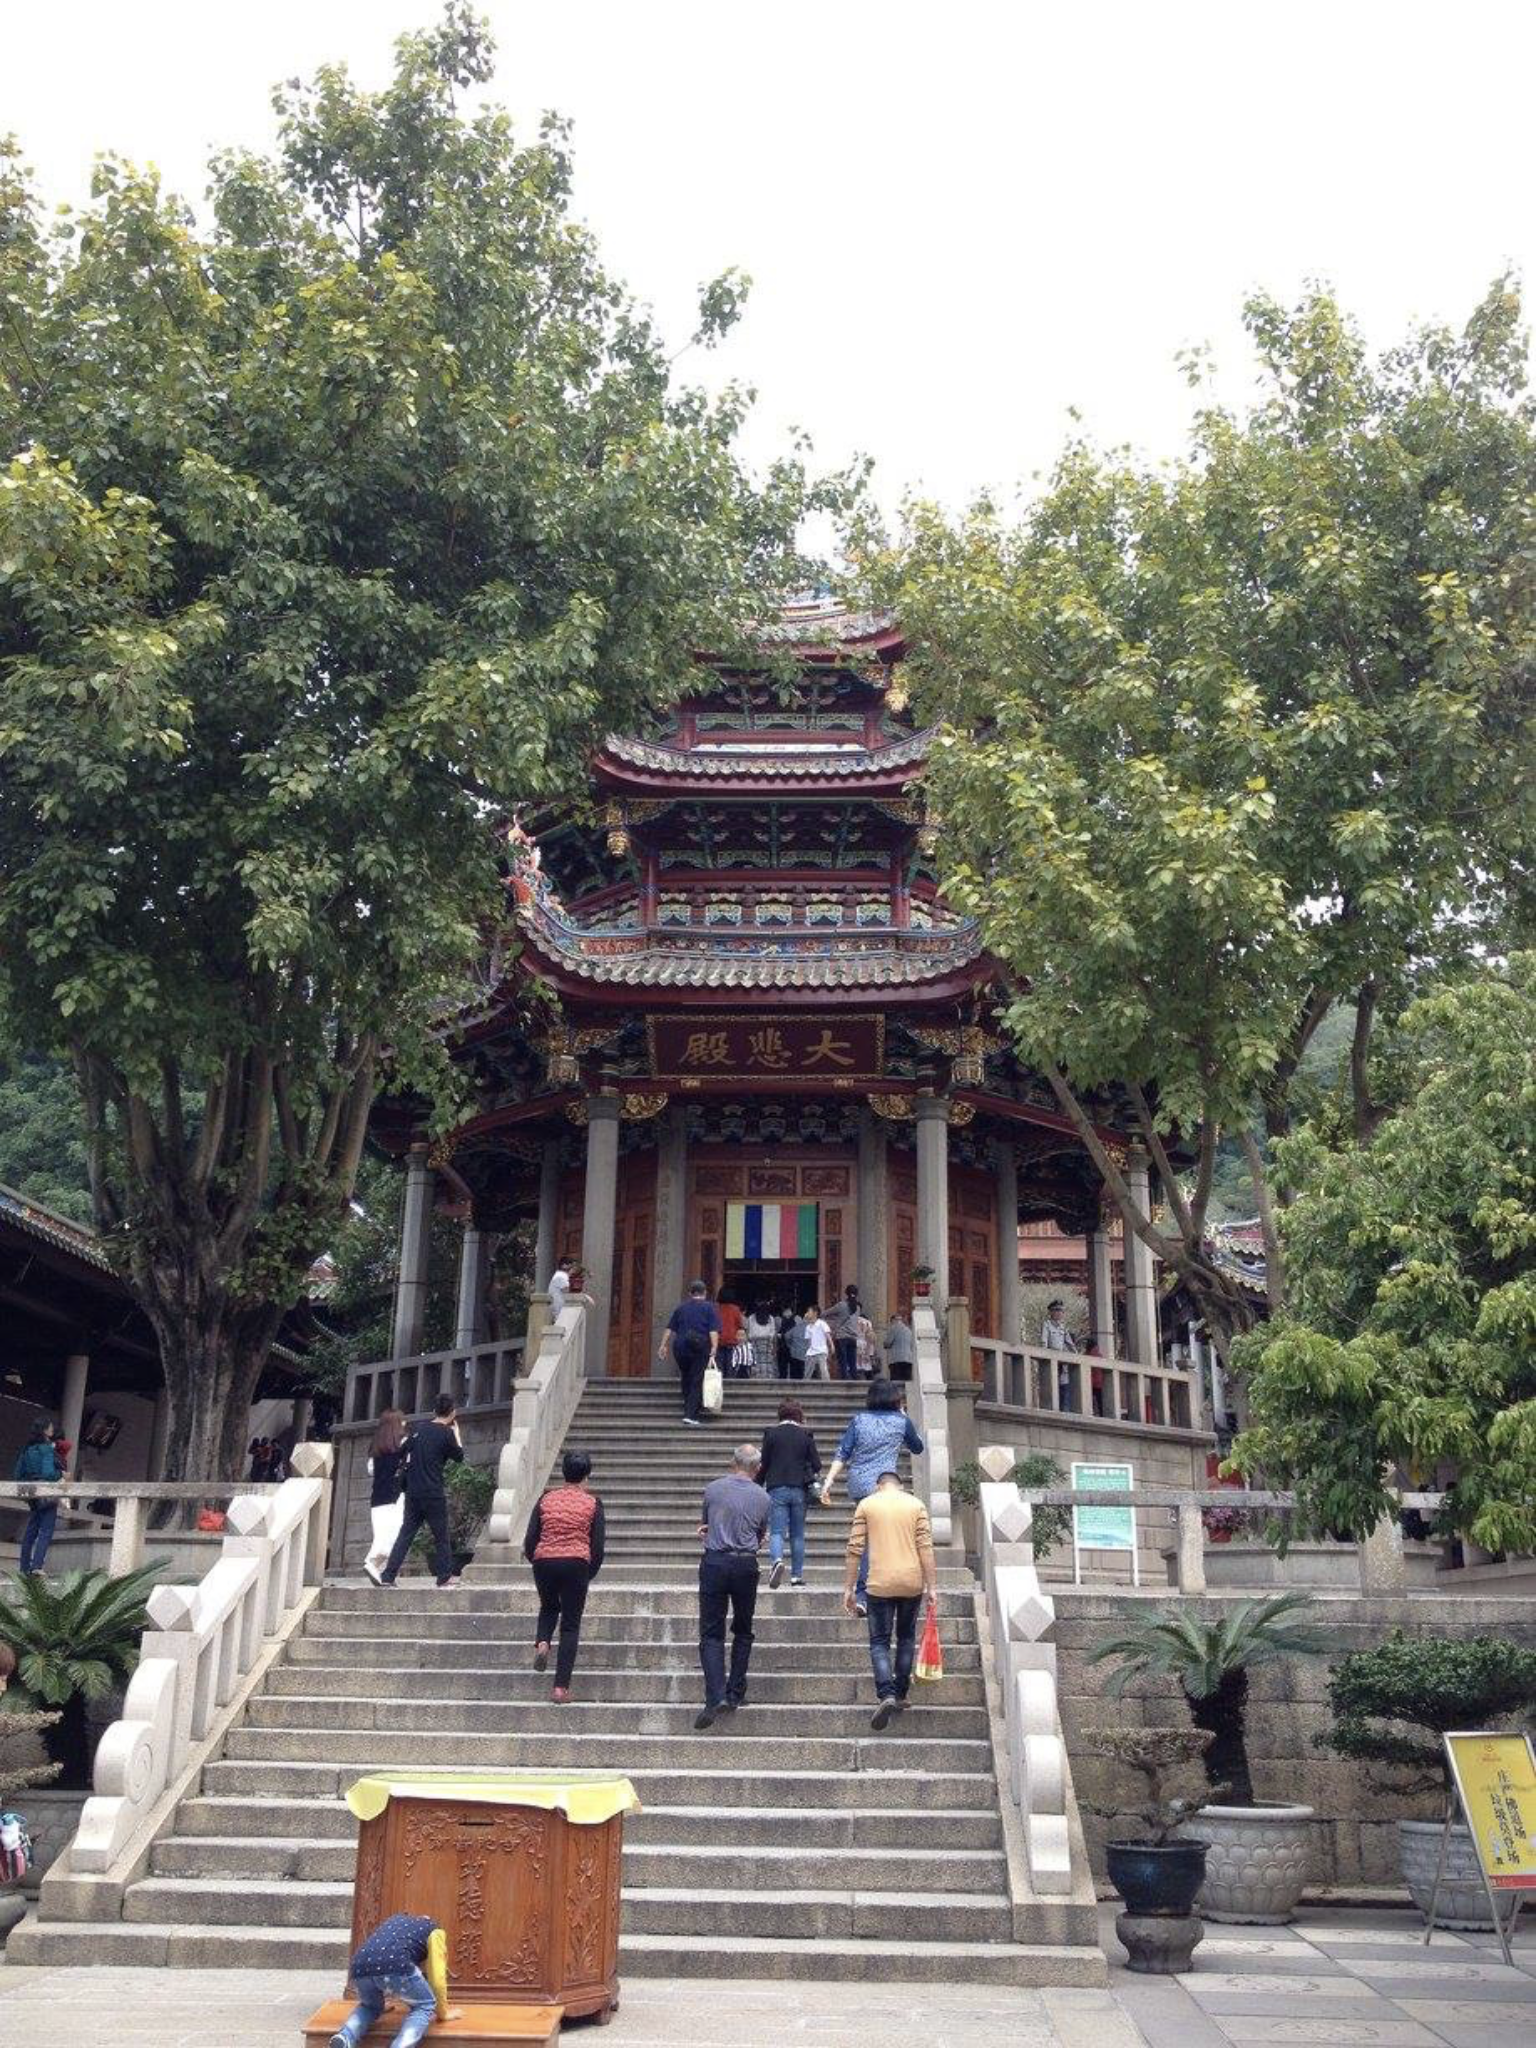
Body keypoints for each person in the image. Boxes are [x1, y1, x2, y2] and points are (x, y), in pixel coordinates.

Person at [820, 1380, 926, 1616]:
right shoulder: (901, 1421)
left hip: (859, 1484)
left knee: (867, 1537)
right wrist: (905, 1416)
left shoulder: (859, 1420)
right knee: (875, 1539)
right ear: (895, 1399)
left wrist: (829, 1481)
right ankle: (866, 1594)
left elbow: (843, 1452)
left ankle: (868, 1592)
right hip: (884, 1485)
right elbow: (918, 1447)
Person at [844, 1469, 937, 1730]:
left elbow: (854, 1548)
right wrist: (932, 1586)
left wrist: (849, 1588)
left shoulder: (867, 1504)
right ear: (900, 1486)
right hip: (911, 1582)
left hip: (879, 1583)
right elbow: (926, 1547)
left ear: (878, 1486)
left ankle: (886, 1693)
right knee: (906, 1637)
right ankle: (901, 1693)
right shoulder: (916, 1505)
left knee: (879, 1642)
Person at [695, 1443, 770, 1729]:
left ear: (732, 1463)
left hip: (715, 1561)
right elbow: (760, 1534)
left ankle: (715, 1695)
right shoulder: (763, 1497)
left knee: (711, 1632)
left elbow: (707, 1523)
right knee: (743, 1629)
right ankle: (735, 1692)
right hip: (745, 1564)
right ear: (758, 1468)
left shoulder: (713, 1489)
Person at [523, 1449, 604, 1702]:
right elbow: (597, 1546)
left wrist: (536, 1560)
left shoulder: (545, 1499)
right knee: (570, 1624)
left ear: (564, 1473)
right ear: (587, 1475)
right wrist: (588, 1572)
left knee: (548, 1607)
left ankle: (543, 1643)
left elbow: (530, 1538)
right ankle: (560, 1688)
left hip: (544, 1561)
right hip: (576, 1563)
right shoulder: (593, 1503)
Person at [327, 1910, 457, 2048]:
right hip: (396, 1964)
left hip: (359, 1965)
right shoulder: (435, 1930)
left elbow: (380, 1957)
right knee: (424, 2004)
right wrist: (443, 2013)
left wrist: (381, 2003)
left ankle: (345, 2036)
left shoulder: (395, 1920)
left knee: (370, 2007)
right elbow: (437, 1978)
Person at [378, 1394, 464, 1590]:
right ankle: (443, 1578)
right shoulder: (447, 1434)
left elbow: (401, 1451)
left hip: (413, 1492)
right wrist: (457, 1434)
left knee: (406, 1534)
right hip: (433, 1492)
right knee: (441, 1537)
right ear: (453, 1413)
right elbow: (459, 1457)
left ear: (434, 1411)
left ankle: (388, 1576)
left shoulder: (418, 1429)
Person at [758, 1399, 821, 1589]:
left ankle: (777, 1561)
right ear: (799, 1414)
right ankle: (796, 1577)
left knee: (777, 1531)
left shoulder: (771, 1434)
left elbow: (764, 1463)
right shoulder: (806, 1435)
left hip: (776, 1487)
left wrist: (757, 1484)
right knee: (797, 1534)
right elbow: (817, 1464)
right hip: (799, 1489)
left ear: (780, 1414)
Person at [659, 1280, 721, 1426]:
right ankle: (690, 1414)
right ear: (705, 1293)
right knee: (697, 1379)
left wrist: (663, 1345)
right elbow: (713, 1330)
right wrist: (714, 1347)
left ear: (690, 1293)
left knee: (686, 1376)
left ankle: (688, 1405)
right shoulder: (709, 1308)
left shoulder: (681, 1308)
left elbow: (670, 1328)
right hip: (699, 1347)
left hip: (680, 1347)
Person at [362, 1409, 408, 1587]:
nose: (405, 1424)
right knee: (394, 1536)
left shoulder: (376, 1449)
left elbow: (371, 1470)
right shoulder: (403, 1444)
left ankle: (383, 1575)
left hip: (377, 1498)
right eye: (402, 1421)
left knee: (381, 1535)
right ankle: (372, 1563)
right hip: (396, 1496)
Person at [13, 1420, 64, 1576]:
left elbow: (17, 1474)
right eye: (50, 1427)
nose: (52, 1429)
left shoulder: (27, 1450)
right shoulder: (46, 1449)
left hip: (32, 1494)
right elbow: (48, 1474)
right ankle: (37, 1566)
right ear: (45, 1431)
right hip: (46, 1494)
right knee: (46, 1530)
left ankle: (24, 1567)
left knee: (31, 1530)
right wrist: (61, 1474)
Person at [826, 1284, 862, 1380]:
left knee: (843, 1361)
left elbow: (826, 1313)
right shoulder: (858, 1308)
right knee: (852, 1361)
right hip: (853, 1337)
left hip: (841, 1337)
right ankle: (854, 1378)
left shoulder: (841, 1305)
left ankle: (845, 1379)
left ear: (846, 1293)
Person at [717, 1292, 747, 1378]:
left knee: (719, 1363)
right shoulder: (735, 1309)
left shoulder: (717, 1308)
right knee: (730, 1363)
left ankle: (720, 1379)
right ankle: (729, 1381)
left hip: (719, 1339)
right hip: (731, 1340)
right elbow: (740, 1325)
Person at [801, 1303, 833, 1381]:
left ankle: (828, 1385)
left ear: (815, 1313)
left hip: (821, 1350)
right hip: (811, 1352)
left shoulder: (822, 1323)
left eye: (809, 1311)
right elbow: (809, 1340)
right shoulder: (808, 1327)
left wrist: (832, 1345)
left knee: (823, 1370)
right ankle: (805, 1385)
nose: (807, 1313)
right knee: (807, 1371)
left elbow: (827, 1335)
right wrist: (807, 1350)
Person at [746, 1302, 779, 1380]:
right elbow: (773, 1335)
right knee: (768, 1367)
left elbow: (748, 1334)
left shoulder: (751, 1318)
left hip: (755, 1346)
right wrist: (775, 1347)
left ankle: (756, 1381)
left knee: (755, 1365)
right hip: (767, 1346)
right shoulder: (770, 1318)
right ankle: (768, 1381)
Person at [883, 1311, 915, 1382]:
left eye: (891, 1322)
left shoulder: (893, 1328)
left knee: (896, 1382)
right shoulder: (909, 1330)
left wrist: (884, 1344)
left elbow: (888, 1343)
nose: (890, 1324)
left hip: (896, 1359)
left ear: (893, 1320)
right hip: (908, 1359)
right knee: (906, 1382)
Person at [782, 1304, 810, 1381]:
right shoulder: (812, 1329)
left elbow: (786, 1336)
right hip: (807, 1357)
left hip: (794, 1355)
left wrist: (790, 1345)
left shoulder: (796, 1328)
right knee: (805, 1375)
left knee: (794, 1376)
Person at [853, 1308, 877, 1379]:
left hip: (855, 1346)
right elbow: (871, 1338)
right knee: (867, 1369)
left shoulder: (851, 1321)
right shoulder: (867, 1323)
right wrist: (868, 1352)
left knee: (857, 1367)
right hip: (864, 1346)